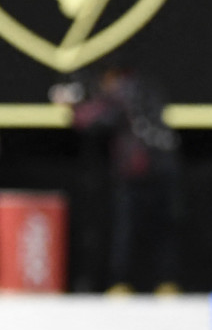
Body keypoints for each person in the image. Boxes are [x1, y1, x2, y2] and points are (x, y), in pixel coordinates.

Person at [53, 61, 182, 294]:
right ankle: (161, 281)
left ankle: (126, 282)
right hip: (157, 169)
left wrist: (73, 110)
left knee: (134, 230)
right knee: (152, 229)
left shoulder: (125, 91)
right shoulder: (145, 87)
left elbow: (98, 118)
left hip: (145, 171)